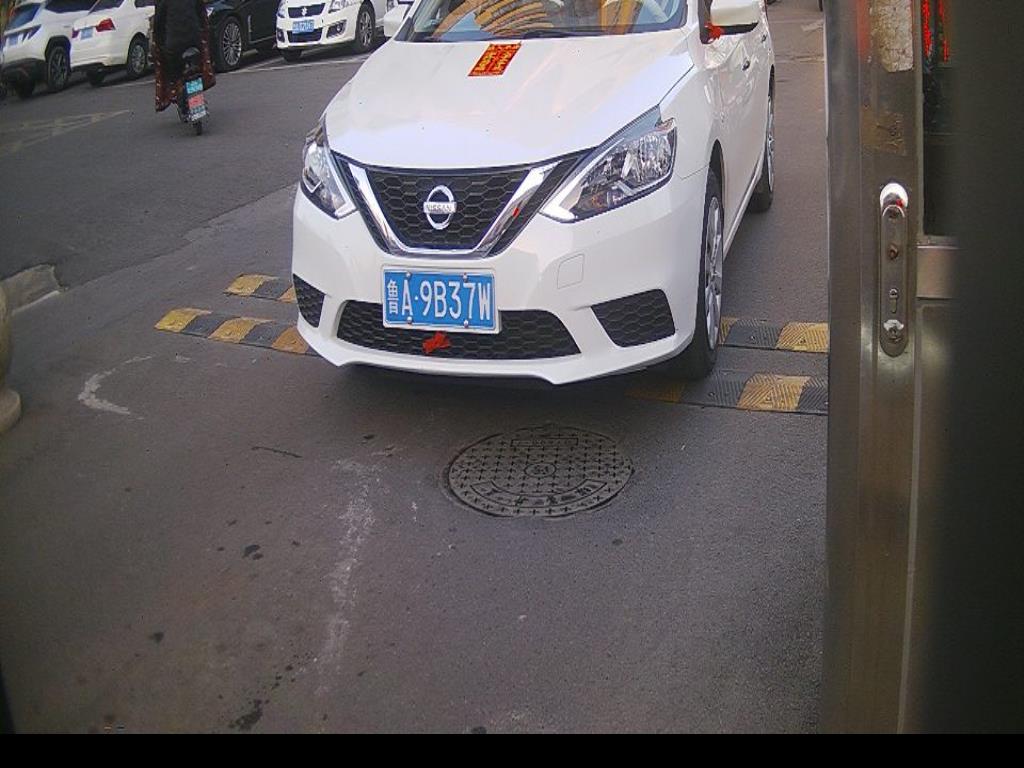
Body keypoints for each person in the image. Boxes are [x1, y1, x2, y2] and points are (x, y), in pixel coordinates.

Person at [152, 0, 216, 114]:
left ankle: (178, 91)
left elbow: (158, 25)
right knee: (199, 64)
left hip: (174, 45)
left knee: (172, 71)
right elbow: (202, 14)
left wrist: (159, 42)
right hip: (195, 40)